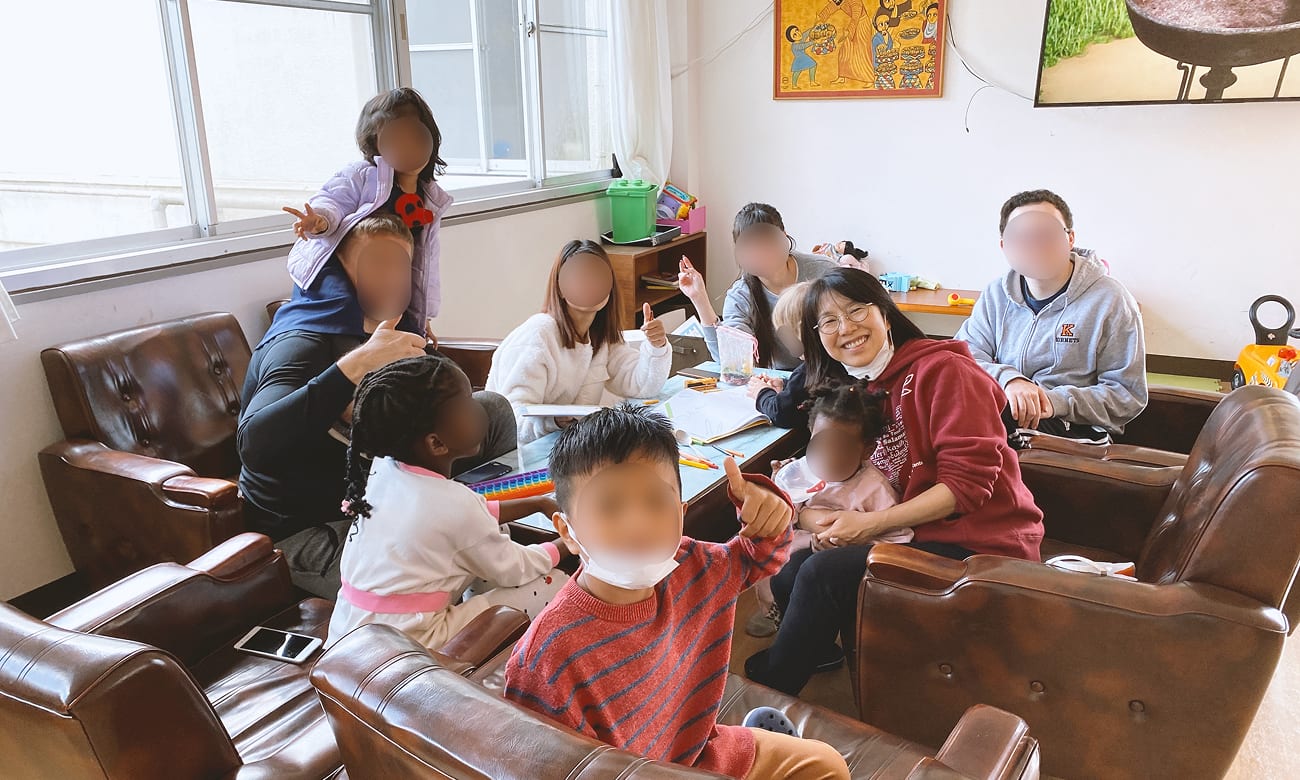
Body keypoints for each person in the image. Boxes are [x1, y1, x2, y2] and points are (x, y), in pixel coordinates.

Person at [504, 405, 850, 779]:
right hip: (635, 775)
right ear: (567, 531)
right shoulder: (546, 660)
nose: (637, 524)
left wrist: (770, 513)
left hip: (700, 750)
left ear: (681, 512)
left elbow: (760, 556)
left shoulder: (693, 564)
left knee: (826, 764)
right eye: (609, 506)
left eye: (657, 501)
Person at [744, 267, 1043, 696]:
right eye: (828, 321)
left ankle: (770, 691)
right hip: (912, 530)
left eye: (855, 310)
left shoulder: (945, 372)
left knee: (822, 573)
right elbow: (842, 468)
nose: (846, 328)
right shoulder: (861, 387)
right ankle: (818, 651)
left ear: (885, 314)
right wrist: (808, 514)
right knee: (790, 568)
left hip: (979, 544)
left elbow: (965, 488)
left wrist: (868, 525)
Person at [238, 214, 517, 598]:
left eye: (401, 264)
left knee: (492, 410)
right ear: (340, 270)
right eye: (377, 263)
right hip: (315, 528)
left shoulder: (396, 332)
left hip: (391, 501)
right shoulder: (299, 343)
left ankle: (475, 520)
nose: (393, 277)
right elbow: (254, 444)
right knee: (442, 558)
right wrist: (352, 368)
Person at [325, 355, 566, 648]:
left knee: (495, 533)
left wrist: (539, 503)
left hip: (352, 633)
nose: (479, 408)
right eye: (467, 403)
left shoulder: (386, 468)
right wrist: (570, 541)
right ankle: (485, 655)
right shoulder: (453, 505)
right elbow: (518, 567)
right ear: (436, 443)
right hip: (409, 645)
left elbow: (471, 519)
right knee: (554, 583)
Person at [954, 189, 1147, 441]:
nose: (1036, 245)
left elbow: (1127, 395)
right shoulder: (996, 294)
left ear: (1070, 238)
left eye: (1047, 234)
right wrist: (1010, 380)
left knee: (982, 427)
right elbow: (963, 356)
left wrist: (1050, 401)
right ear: (1004, 245)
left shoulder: (1111, 300)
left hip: (1076, 428)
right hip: (1005, 409)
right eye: (1022, 236)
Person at [745, 381, 908, 638]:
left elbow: (897, 542)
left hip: (838, 563)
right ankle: (782, 617)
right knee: (774, 569)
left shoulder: (874, 489)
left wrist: (853, 543)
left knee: (794, 578)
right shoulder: (803, 471)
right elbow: (786, 514)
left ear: (867, 450)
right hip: (798, 546)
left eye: (841, 448)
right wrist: (778, 487)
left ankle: (809, 637)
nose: (829, 457)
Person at [284, 87, 452, 329]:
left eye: (415, 137)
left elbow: (426, 264)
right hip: (340, 272)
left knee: (407, 328)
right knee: (345, 309)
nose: (407, 146)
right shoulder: (362, 175)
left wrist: (424, 317)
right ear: (376, 142)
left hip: (386, 280)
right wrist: (320, 220)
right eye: (397, 139)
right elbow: (332, 199)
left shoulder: (429, 198)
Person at [486, 239, 672, 444]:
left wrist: (656, 347)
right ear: (560, 286)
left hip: (573, 447)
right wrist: (553, 421)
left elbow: (642, 386)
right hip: (525, 453)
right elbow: (513, 420)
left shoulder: (601, 335)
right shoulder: (537, 336)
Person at [679, 203, 833, 371]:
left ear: (784, 237)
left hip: (830, 371)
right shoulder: (741, 295)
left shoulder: (824, 270)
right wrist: (700, 299)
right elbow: (732, 361)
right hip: (779, 379)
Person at [747, 281, 813, 429]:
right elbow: (803, 392)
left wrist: (762, 392)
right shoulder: (830, 363)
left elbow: (781, 413)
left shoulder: (807, 371)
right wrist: (785, 385)